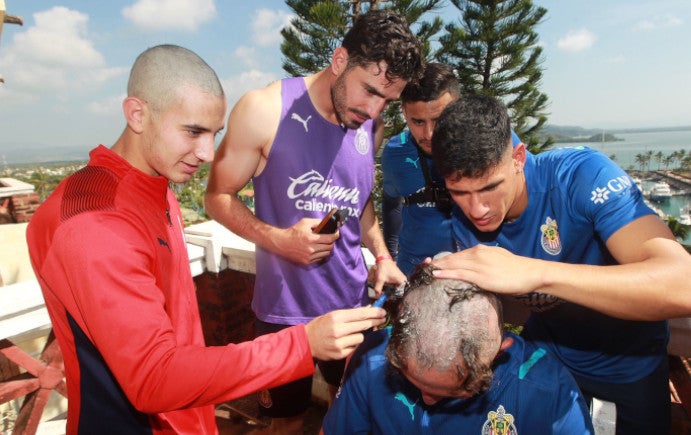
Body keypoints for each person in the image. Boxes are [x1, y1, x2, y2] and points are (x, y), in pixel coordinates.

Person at [26, 44, 387, 435]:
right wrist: (301, 344)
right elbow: (154, 378)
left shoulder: (153, 185)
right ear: (137, 114)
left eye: (214, 134)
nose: (207, 153)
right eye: (193, 131)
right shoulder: (95, 221)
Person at [204, 9, 421, 435]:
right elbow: (216, 197)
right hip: (283, 314)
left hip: (354, 305)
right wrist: (279, 240)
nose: (375, 108)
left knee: (355, 414)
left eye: (387, 101)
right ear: (340, 60)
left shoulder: (370, 123)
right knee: (286, 421)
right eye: (370, 91)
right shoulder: (264, 110)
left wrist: (381, 254)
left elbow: (360, 204)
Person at [430, 94, 691, 434]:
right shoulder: (464, 224)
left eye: (490, 187)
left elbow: (682, 283)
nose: (477, 209)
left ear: (518, 158)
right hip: (545, 360)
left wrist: (535, 273)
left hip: (627, 368)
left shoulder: (580, 177)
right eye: (459, 192)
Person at [321, 263, 594, 434]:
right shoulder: (372, 357)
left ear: (499, 352)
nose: (427, 400)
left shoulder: (548, 392)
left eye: (454, 390)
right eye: (414, 381)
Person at [381, 63, 523, 276]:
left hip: (480, 272)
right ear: (404, 112)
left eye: (438, 119)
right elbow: (390, 203)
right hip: (416, 272)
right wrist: (389, 256)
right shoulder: (395, 153)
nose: (429, 133)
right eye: (418, 121)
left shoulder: (495, 141)